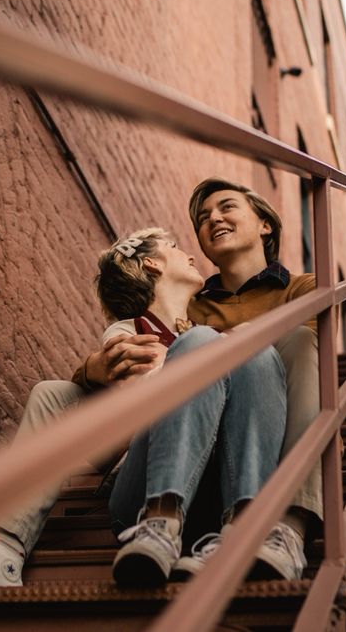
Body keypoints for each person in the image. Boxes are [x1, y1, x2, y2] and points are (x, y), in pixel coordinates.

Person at [79, 178, 319, 581]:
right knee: (202, 339)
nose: (213, 218)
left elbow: (304, 365)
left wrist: (239, 340)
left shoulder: (304, 290)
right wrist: (94, 367)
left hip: (237, 472)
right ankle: (161, 521)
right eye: (203, 217)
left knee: (277, 346)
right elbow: (129, 339)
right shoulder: (189, 306)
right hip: (170, 475)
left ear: (265, 224)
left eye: (227, 207)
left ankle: (275, 527)